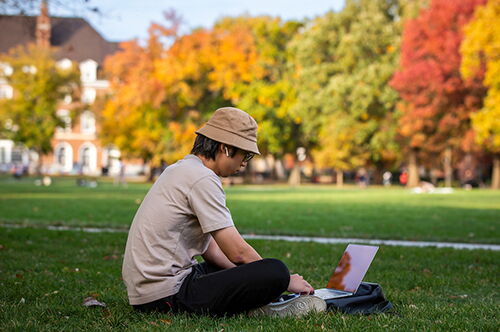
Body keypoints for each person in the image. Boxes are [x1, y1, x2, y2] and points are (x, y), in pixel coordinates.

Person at [122, 107, 325, 317]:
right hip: (166, 295)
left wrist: (251, 277)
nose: (244, 164)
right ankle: (266, 306)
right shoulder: (202, 178)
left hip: (150, 292)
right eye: (244, 155)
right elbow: (236, 251)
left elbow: (211, 249)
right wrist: (284, 280)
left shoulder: (181, 169)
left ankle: (260, 302)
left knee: (236, 269)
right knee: (276, 269)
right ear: (225, 148)